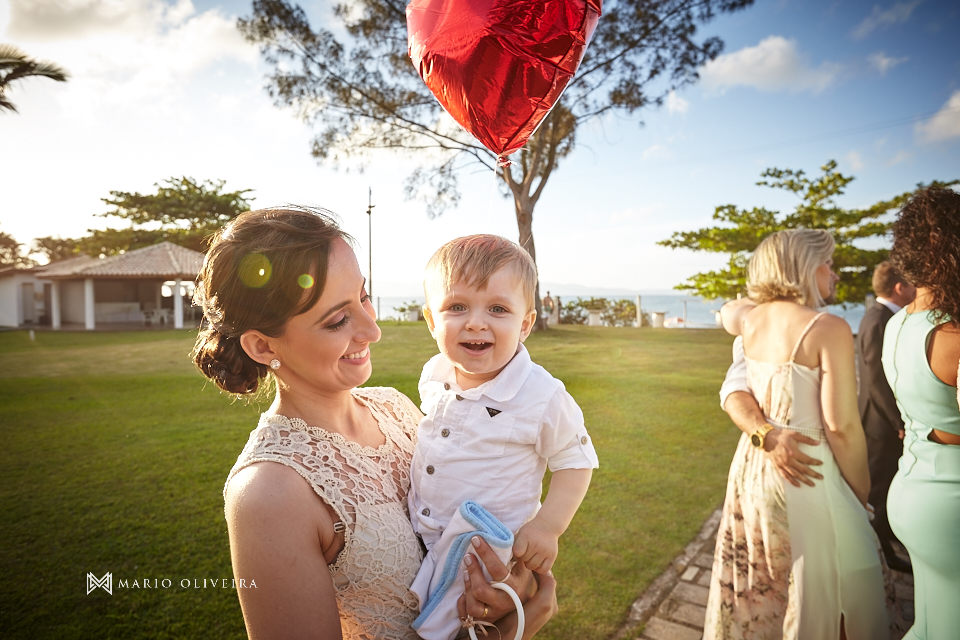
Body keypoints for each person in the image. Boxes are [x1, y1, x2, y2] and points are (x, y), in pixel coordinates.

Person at [191, 207, 557, 640]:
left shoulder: (398, 409)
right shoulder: (270, 493)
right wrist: (518, 626)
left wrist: (515, 586)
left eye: (364, 297)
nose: (372, 329)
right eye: (337, 320)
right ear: (262, 345)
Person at [408, 235, 598, 639]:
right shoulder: (434, 373)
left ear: (525, 324)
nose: (476, 322)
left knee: (461, 626)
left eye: (498, 309)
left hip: (487, 549)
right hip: (424, 537)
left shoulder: (541, 395)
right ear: (430, 321)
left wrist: (548, 526)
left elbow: (575, 459)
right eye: (457, 307)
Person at [704, 229, 889, 640]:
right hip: (810, 471)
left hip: (755, 468)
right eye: (829, 262)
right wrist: (860, 495)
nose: (836, 273)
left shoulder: (750, 320)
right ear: (804, 266)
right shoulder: (829, 328)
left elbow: (728, 312)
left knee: (768, 586)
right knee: (842, 591)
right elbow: (841, 427)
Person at [883, 186, 960, 640]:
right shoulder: (952, 336)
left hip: (910, 491)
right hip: (951, 504)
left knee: (932, 624)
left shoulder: (898, 323)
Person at [857, 261, 916, 574]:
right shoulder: (881, 320)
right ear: (899, 287)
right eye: (911, 283)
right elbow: (876, 378)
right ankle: (885, 557)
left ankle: (889, 541)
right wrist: (898, 422)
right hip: (880, 424)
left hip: (881, 421)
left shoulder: (880, 317)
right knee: (878, 492)